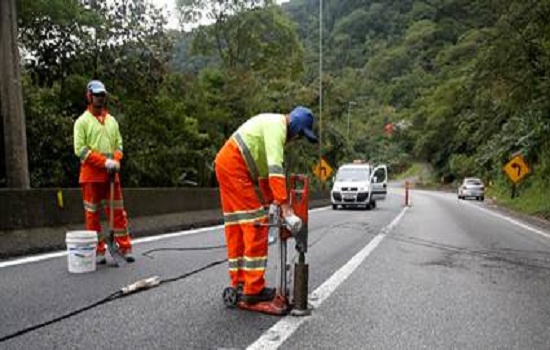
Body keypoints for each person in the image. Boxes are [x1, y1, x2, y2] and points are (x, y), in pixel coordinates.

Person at [215, 106, 318, 304]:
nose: (295, 140)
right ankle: (253, 288)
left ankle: (239, 283)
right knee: (256, 225)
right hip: (235, 167)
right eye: (298, 135)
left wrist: (274, 202)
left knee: (237, 227)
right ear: (295, 130)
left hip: (226, 163)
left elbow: (265, 177)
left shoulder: (269, 126)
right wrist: (286, 209)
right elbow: (275, 171)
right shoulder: (276, 128)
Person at [73, 80, 134, 265]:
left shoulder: (112, 121)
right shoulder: (82, 122)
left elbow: (119, 145)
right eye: (96, 95)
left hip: (111, 176)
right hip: (91, 176)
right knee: (92, 216)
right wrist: (103, 162)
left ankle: (124, 247)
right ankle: (98, 251)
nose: (100, 98)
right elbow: (80, 150)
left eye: (102, 95)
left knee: (118, 213)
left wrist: (115, 159)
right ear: (89, 96)